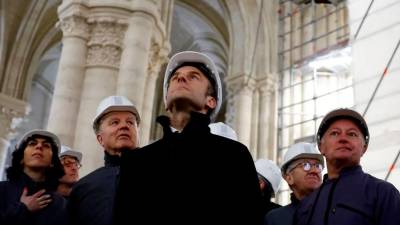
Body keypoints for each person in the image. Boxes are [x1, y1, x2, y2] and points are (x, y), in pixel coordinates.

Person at [114, 51, 263, 225]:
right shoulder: (136, 162)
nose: (181, 79)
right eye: (175, 77)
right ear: (166, 101)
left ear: (211, 101)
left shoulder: (233, 155)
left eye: (193, 77)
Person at [295, 108, 400, 225]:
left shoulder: (383, 193)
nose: (343, 139)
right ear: (321, 147)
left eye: (352, 134)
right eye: (334, 133)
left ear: (364, 148)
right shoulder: (306, 205)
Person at [67, 95, 140, 225]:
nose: (124, 126)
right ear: (100, 139)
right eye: (115, 122)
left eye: (130, 122)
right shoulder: (83, 188)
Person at [0, 129, 67, 225]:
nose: (39, 146)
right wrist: (22, 209)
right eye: (32, 143)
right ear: (22, 159)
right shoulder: (2, 191)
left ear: (52, 162)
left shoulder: (61, 204)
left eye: (46, 145)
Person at [265, 142, 324, 225]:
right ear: (289, 178)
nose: (314, 171)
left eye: (318, 166)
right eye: (305, 165)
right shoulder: (275, 219)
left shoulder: (335, 211)